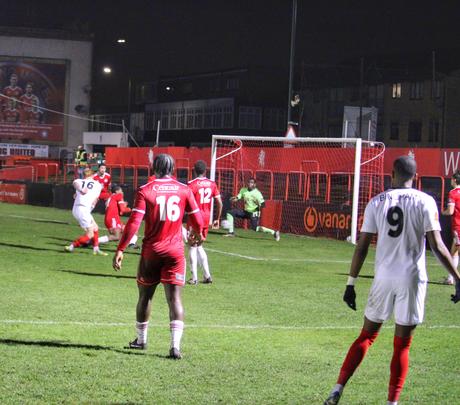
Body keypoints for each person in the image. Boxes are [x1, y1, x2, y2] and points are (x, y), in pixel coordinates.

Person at [323, 156, 460, 405]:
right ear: (415, 177)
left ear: (392, 174)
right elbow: (438, 246)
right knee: (402, 346)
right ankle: (392, 403)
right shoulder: (426, 201)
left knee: (366, 336)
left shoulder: (377, 202)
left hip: (383, 278)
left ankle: (337, 389)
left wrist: (351, 283)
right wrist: (458, 278)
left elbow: (362, 246)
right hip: (412, 279)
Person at [112, 154, 204, 359]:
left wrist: (121, 249)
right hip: (175, 252)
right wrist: (200, 235)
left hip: (152, 251)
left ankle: (141, 340)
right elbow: (197, 218)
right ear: (173, 169)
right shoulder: (184, 189)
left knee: (145, 296)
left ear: (154, 168)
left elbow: (134, 223)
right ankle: (174, 347)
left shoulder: (145, 190)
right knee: (175, 299)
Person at [187, 160, 223, 285]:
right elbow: (219, 202)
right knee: (199, 245)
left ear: (194, 171)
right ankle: (207, 276)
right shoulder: (212, 184)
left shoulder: (191, 184)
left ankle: (194, 277)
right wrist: (217, 218)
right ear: (205, 171)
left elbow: (187, 202)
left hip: (194, 217)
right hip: (206, 217)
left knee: (192, 245)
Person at [65, 168, 108, 256]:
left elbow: (75, 184)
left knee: (95, 228)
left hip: (77, 209)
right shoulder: (97, 185)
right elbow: (95, 199)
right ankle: (71, 246)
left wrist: (80, 190)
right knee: (90, 234)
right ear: (92, 175)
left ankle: (96, 249)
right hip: (83, 210)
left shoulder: (79, 181)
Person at [441, 170, 460, 285]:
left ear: (454, 180)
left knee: (457, 251)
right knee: (453, 253)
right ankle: (450, 278)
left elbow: (450, 211)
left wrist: (442, 212)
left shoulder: (453, 193)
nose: (451, 181)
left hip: (458, 226)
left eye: (452, 179)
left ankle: (453, 278)